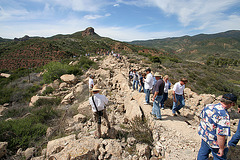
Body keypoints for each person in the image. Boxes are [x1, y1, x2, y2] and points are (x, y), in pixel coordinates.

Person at [197, 93, 237, 160]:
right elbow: (221, 135)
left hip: (205, 136)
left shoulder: (209, 106)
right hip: (215, 142)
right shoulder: (223, 116)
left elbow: (202, 117)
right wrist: (221, 148)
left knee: (203, 154)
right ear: (231, 103)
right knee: (220, 157)